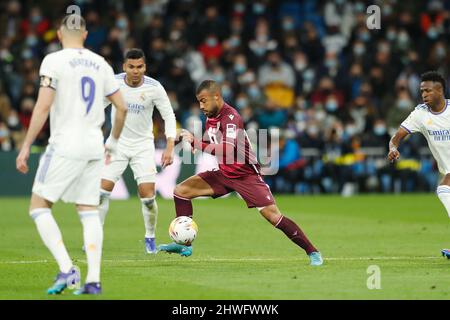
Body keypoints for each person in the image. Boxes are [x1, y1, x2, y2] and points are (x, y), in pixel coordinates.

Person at [15, 14, 128, 295]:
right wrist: (112, 142)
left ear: (59, 33)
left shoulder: (54, 60)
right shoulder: (101, 64)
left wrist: (27, 145)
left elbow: (42, 107)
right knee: (89, 212)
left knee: (39, 207)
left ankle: (66, 269)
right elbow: (122, 107)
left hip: (65, 143)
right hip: (93, 145)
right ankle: (93, 280)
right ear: (86, 35)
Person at [159, 80, 323, 266]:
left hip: (246, 175)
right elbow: (212, 141)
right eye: (199, 101)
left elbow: (227, 150)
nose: (201, 106)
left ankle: (313, 252)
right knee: (181, 191)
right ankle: (185, 244)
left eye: (203, 101)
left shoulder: (231, 117)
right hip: (224, 174)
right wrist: (199, 146)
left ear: (217, 97)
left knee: (273, 216)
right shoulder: (210, 116)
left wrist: (196, 143)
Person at [99, 48, 176, 253]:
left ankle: (150, 237)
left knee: (148, 198)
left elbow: (169, 116)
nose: (135, 71)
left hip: (142, 147)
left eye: (139, 66)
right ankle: (94, 237)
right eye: (131, 67)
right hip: (116, 145)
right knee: (101, 193)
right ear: (124, 67)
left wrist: (169, 146)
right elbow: (98, 107)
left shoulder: (154, 87)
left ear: (145, 67)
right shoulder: (113, 83)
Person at [388, 71, 449, 259]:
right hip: (447, 168)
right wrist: (393, 148)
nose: (423, 95)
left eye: (428, 91)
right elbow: (396, 137)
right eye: (422, 91)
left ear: (440, 91)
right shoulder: (420, 114)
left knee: (444, 189)